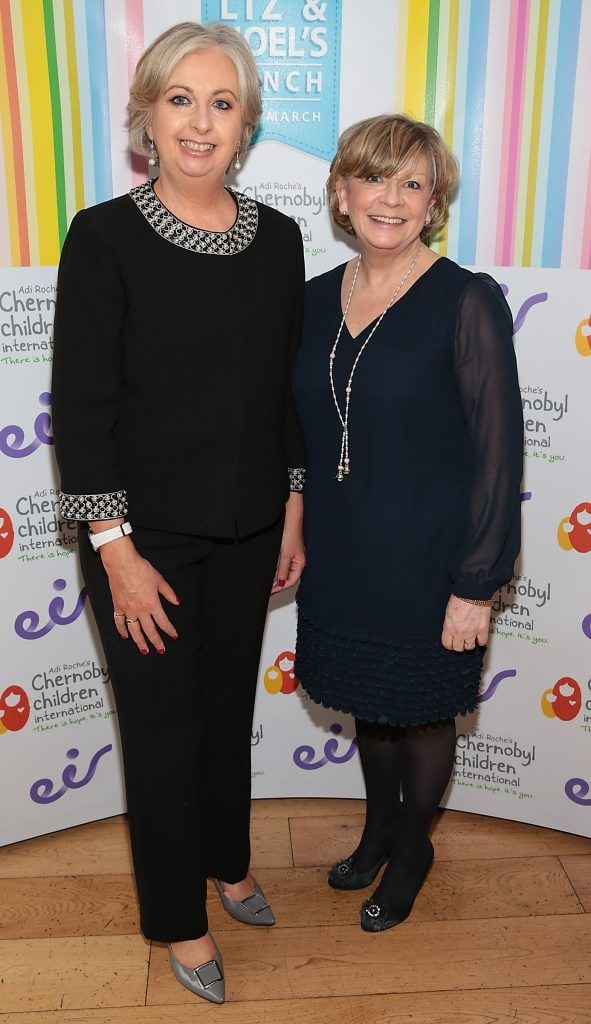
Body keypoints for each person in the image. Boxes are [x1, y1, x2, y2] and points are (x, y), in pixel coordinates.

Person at [52, 21, 306, 1003]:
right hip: (142, 540)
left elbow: (281, 392)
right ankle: (178, 917)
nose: (200, 121)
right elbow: (83, 407)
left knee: (222, 714)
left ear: (244, 126)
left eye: (223, 102)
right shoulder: (103, 237)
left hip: (249, 529)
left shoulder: (279, 239)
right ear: (147, 116)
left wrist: (290, 506)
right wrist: (113, 551)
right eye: (181, 99)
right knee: (161, 734)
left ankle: (230, 860)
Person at [292, 114, 522, 932]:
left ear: (433, 204)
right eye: (373, 178)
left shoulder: (465, 300)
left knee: (420, 713)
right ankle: (379, 828)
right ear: (342, 193)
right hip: (341, 552)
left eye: (412, 183)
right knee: (368, 705)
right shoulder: (314, 299)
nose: (389, 198)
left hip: (430, 559)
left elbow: (500, 454)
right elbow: (295, 433)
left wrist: (477, 585)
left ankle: (413, 847)